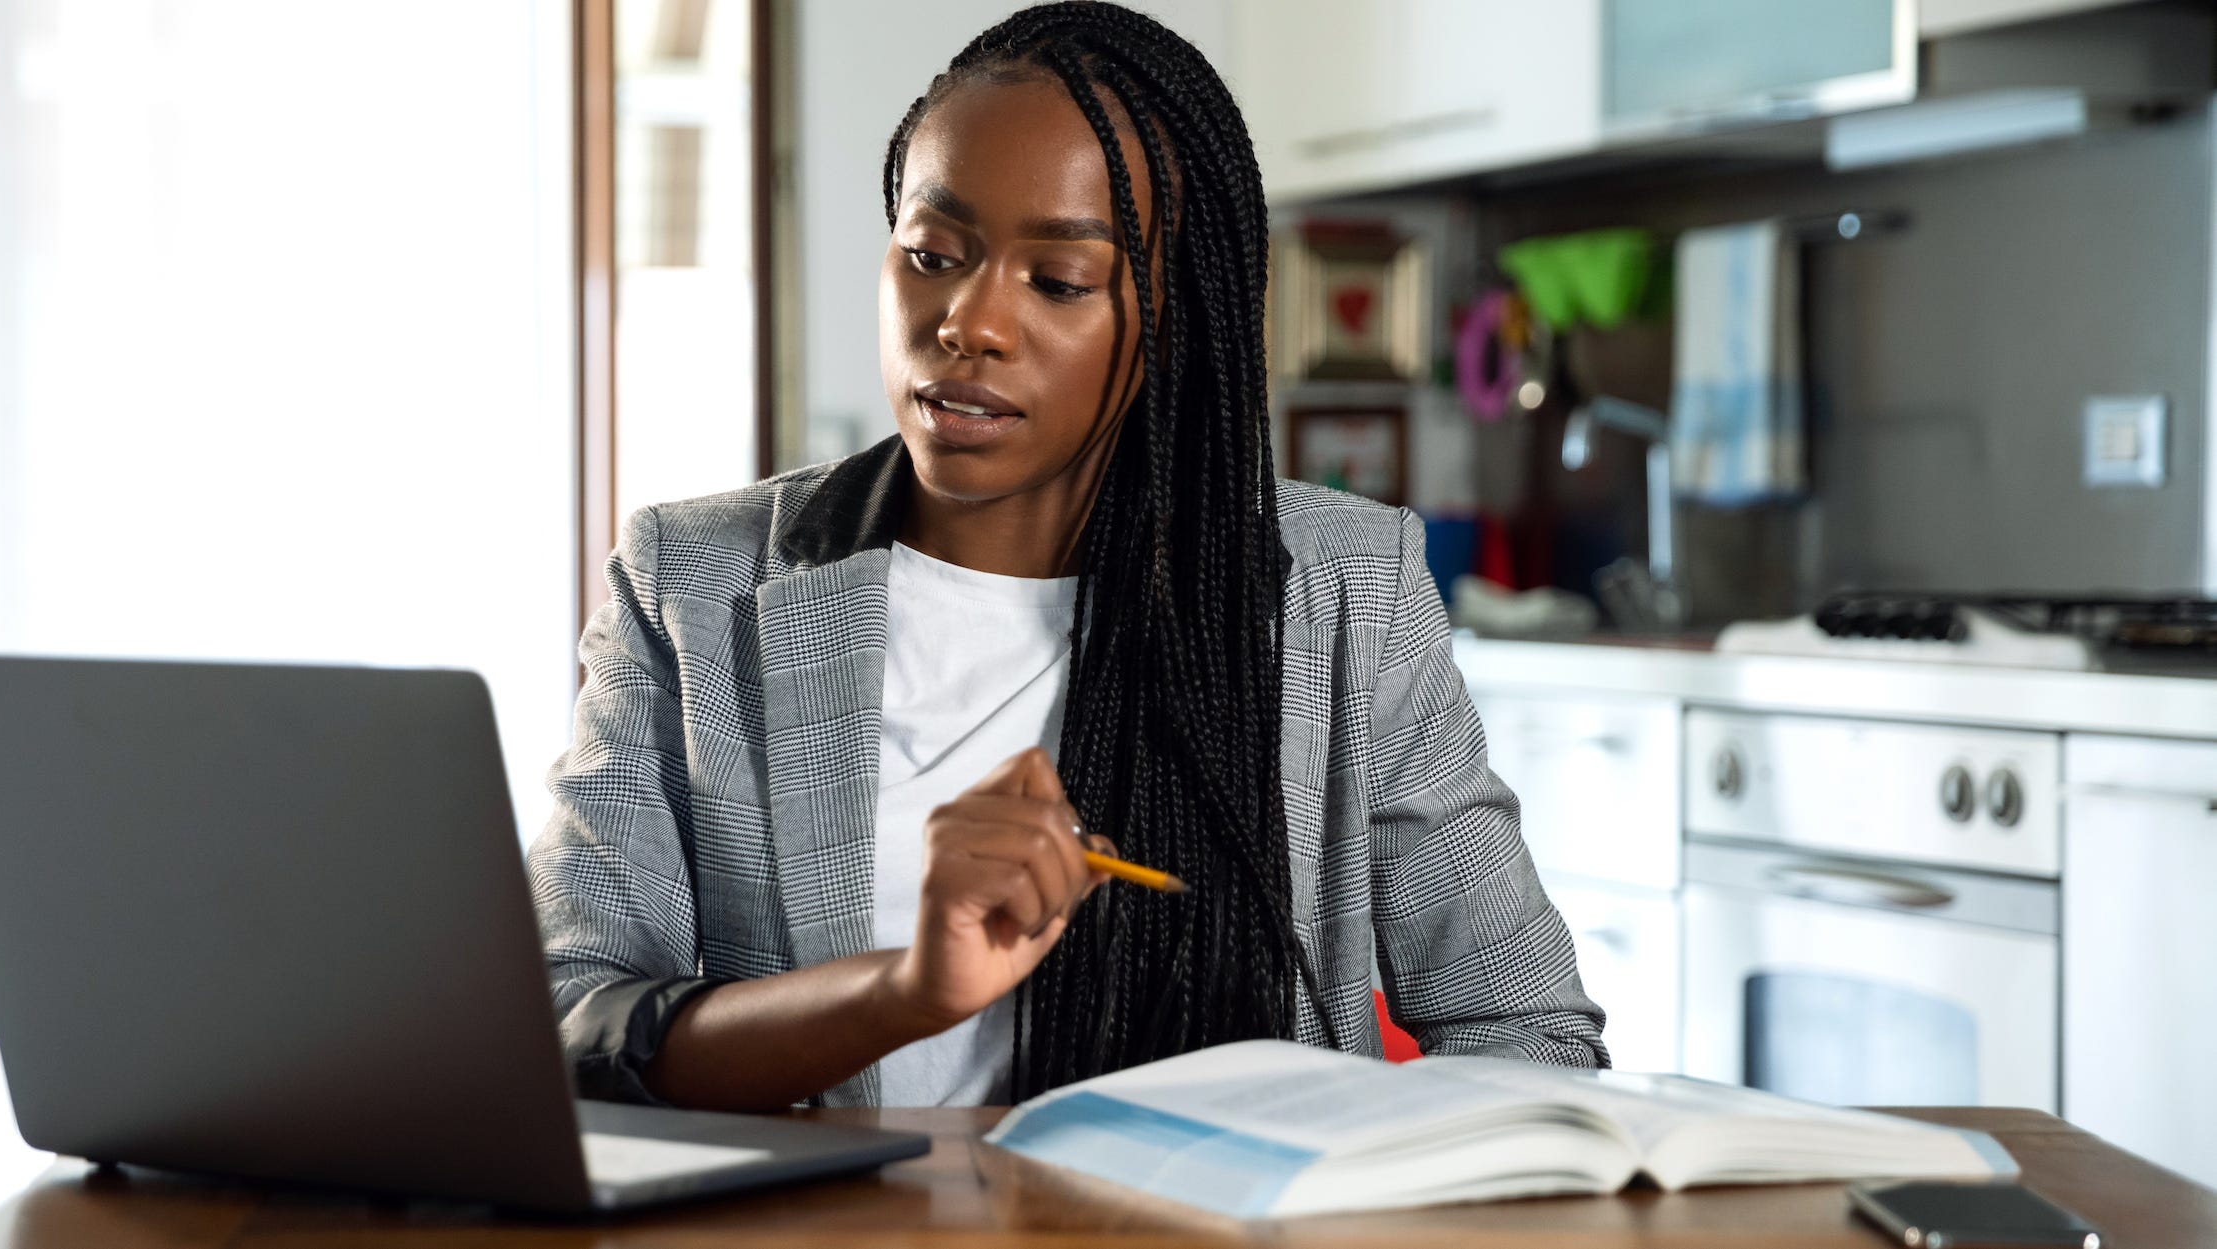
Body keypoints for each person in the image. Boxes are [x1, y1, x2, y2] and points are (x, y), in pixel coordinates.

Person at [527, 0, 1605, 1112]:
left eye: (1058, 281)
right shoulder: (692, 581)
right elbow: (570, 1024)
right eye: (932, 254)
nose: (967, 322)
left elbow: (1524, 1033)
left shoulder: (1344, 592)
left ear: (1172, 317)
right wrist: (903, 990)